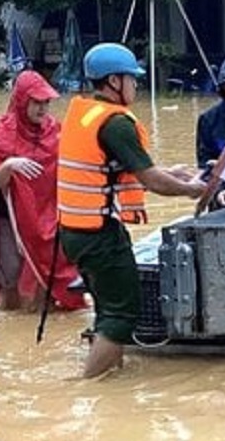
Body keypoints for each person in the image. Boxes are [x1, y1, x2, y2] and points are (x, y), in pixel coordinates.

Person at [57, 43, 208, 379]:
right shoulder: (116, 124)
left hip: (74, 230)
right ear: (113, 81)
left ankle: (111, 384)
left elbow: (116, 170)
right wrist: (190, 188)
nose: (136, 85)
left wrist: (176, 171)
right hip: (100, 235)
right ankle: (87, 387)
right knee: (123, 316)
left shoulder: (85, 113)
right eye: (132, 79)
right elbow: (151, 180)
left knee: (107, 311)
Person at [0, 69, 83, 312]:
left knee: (51, 268)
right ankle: (10, 324)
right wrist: (9, 166)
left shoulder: (55, 130)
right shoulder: (2, 136)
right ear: (22, 101)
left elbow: (77, 160)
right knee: (10, 276)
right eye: (37, 102)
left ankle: (43, 314)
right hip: (9, 219)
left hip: (47, 215)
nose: (42, 109)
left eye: (46, 103)